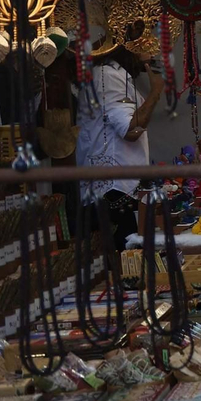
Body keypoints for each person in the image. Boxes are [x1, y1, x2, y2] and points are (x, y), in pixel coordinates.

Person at [77, 42, 165, 247]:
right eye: (145, 47)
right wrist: (155, 93)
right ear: (128, 48)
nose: (150, 56)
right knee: (123, 264)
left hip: (117, 188)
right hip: (112, 190)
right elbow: (130, 130)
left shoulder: (114, 76)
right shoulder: (107, 76)